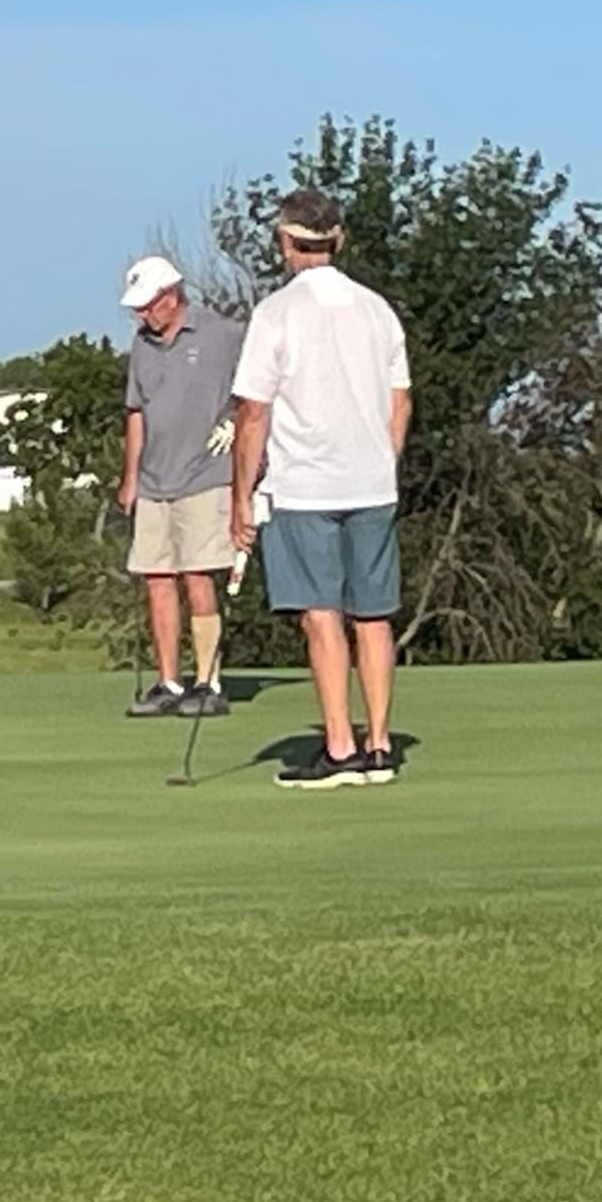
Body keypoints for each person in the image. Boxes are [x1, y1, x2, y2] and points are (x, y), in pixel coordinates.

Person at [229, 190, 413, 789]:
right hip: (371, 482)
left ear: (286, 242)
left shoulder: (276, 314)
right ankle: (380, 744)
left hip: (304, 485)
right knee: (374, 614)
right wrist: (382, 460)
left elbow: (252, 414)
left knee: (322, 614)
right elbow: (400, 401)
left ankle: (340, 748)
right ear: (338, 241)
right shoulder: (378, 309)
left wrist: (240, 498)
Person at [115, 254, 245, 720]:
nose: (141, 315)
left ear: (171, 297)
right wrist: (130, 477)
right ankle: (169, 680)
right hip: (155, 479)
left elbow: (257, 384)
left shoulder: (221, 333)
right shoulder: (143, 347)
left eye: (148, 306)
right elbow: (137, 412)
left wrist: (235, 420)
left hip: (206, 475)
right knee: (157, 578)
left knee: (198, 575)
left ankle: (209, 681)